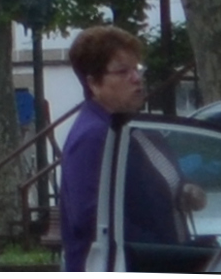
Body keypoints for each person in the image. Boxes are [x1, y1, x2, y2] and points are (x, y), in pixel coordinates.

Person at [56, 22, 182, 270]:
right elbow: (91, 217)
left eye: (137, 68)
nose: (136, 78)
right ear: (94, 83)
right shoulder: (93, 136)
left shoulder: (133, 128)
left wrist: (185, 191)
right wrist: (160, 251)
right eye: (123, 71)